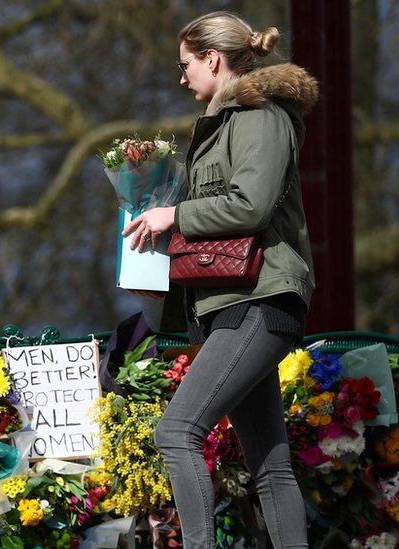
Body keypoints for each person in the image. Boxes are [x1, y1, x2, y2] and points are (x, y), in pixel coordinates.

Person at [121, 11, 319, 549]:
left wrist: (175, 217)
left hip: (262, 297)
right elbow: (220, 227)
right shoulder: (222, 124)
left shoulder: (259, 115)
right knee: (270, 464)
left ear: (212, 57)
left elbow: (249, 207)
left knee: (176, 431)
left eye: (185, 65)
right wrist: (162, 261)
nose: (181, 77)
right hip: (231, 301)